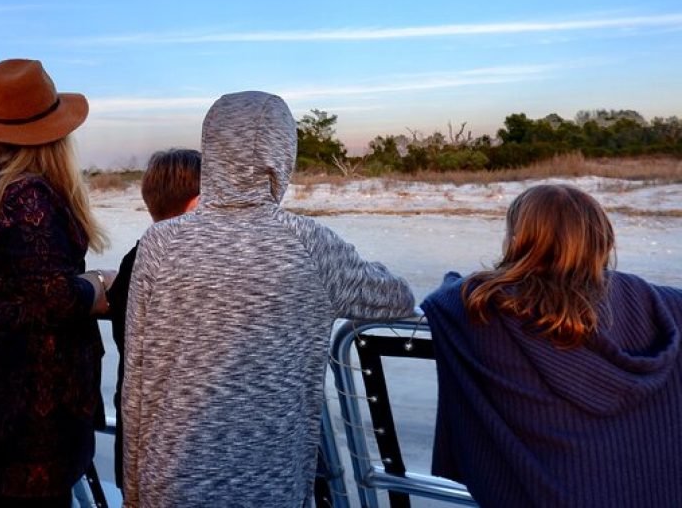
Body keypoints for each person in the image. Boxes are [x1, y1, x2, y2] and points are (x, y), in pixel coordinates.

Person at [121, 91, 415, 507]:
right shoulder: (310, 243)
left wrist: (134, 492)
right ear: (282, 157)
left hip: (171, 478)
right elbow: (397, 297)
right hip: (270, 483)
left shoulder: (160, 242)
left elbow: (137, 377)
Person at [421, 184, 682, 508]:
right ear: (603, 240)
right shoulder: (657, 302)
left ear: (517, 240)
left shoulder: (480, 306)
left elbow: (445, 297)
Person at [0, 58, 116, 507]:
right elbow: (53, 298)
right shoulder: (29, 193)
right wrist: (99, 283)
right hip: (32, 388)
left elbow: (17, 280)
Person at [105, 148, 201, 490]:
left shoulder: (138, 257)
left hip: (137, 444)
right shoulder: (189, 267)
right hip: (180, 452)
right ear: (197, 202)